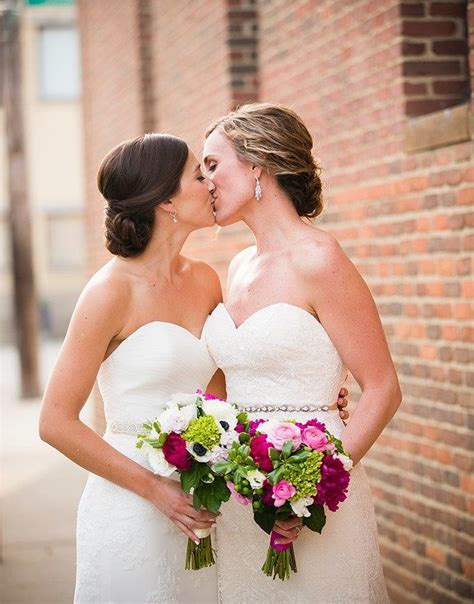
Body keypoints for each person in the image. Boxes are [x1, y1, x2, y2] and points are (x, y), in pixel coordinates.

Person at [38, 130, 352, 602]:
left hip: (203, 500)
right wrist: (153, 489)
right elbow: (55, 422)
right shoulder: (109, 292)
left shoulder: (205, 280)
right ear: (166, 199)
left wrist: (312, 392)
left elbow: (225, 385)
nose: (209, 182)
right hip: (132, 499)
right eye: (196, 173)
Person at [201, 103, 402, 602]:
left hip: (311, 496)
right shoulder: (239, 264)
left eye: (212, 165)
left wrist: (313, 486)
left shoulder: (320, 258)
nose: (204, 181)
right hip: (238, 494)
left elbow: (382, 389)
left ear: (256, 165)